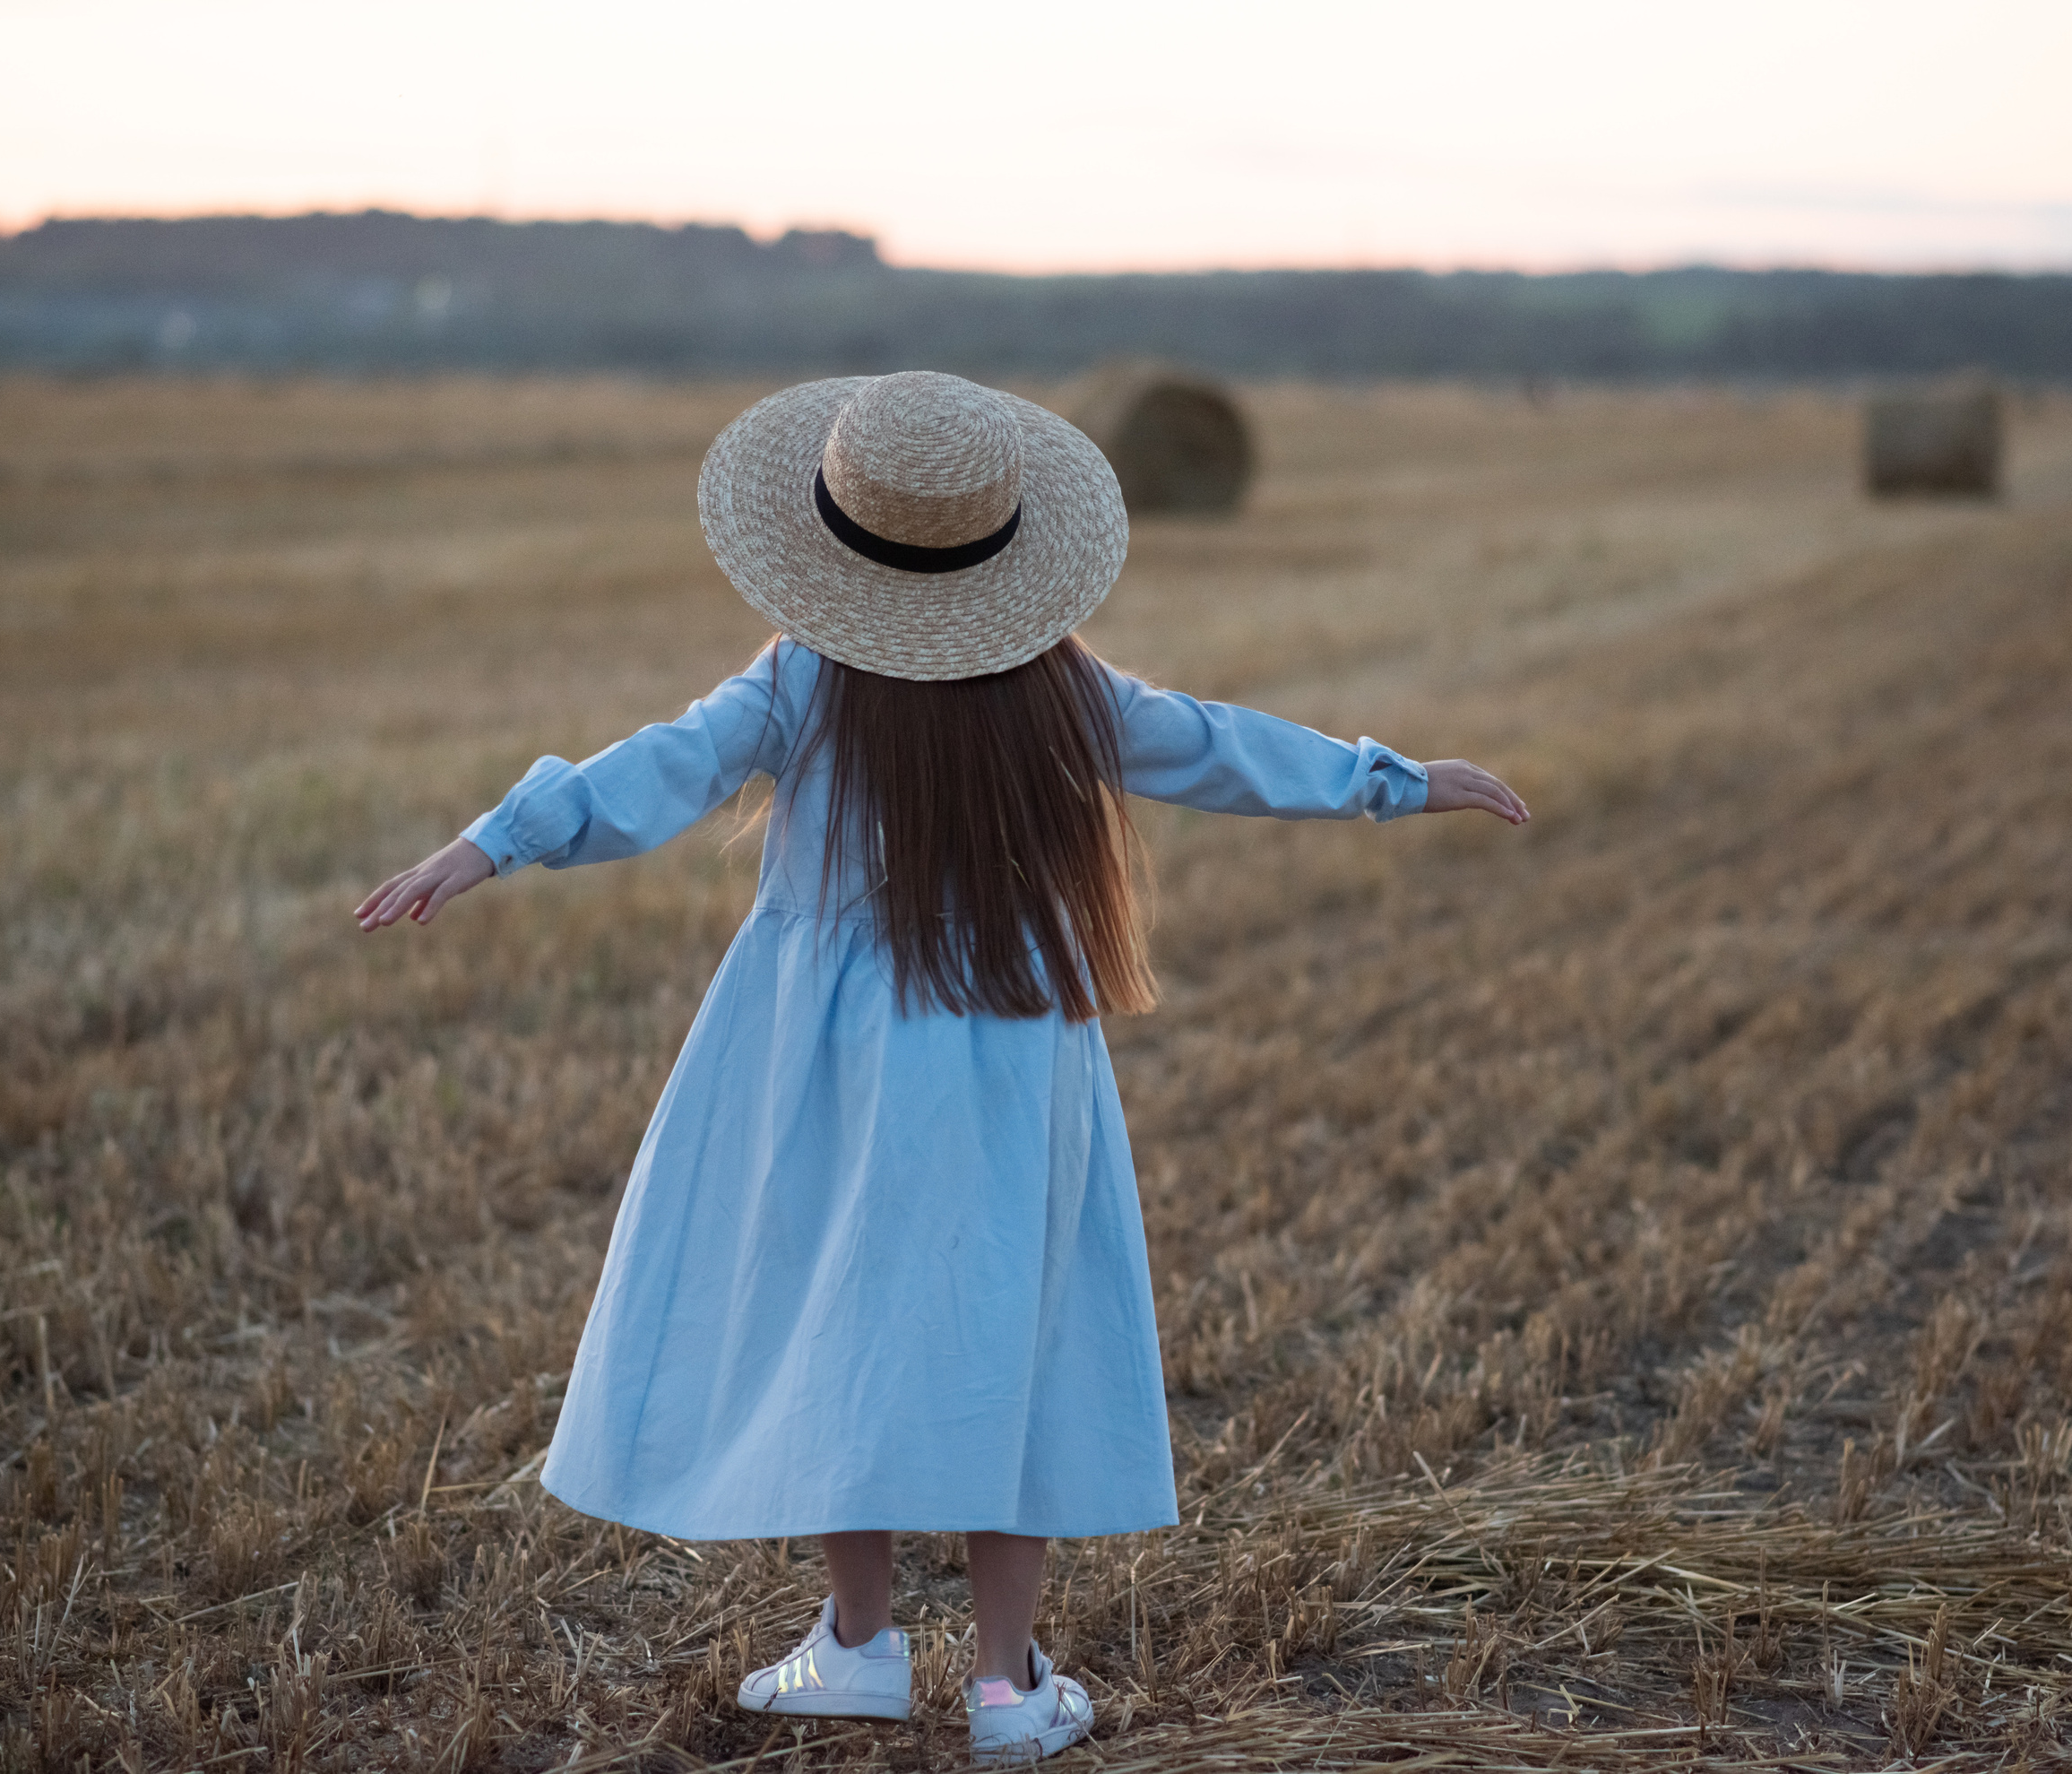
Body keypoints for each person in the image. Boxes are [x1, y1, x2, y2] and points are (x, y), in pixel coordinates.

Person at [357, 371, 1527, 1762]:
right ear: (1011, 552)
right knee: (1004, 1337)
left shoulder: (800, 676)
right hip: (1010, 1040)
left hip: (821, 1056)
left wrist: (493, 838)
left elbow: (661, 767)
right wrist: (1389, 778)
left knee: (833, 1312)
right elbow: (1216, 747)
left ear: (840, 547)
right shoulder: (1063, 690)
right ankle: (1009, 1685)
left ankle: (855, 1645)